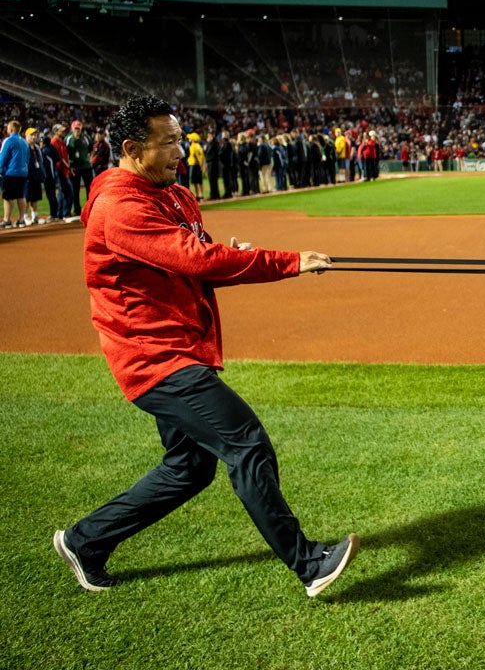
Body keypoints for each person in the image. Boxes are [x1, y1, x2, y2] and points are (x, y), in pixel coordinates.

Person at [53, 96, 359, 597]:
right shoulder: (119, 206)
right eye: (169, 142)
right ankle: (309, 563)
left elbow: (201, 258)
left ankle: (85, 542)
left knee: (189, 469)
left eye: (180, 138)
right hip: (154, 358)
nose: (182, 150)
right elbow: (196, 259)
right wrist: (287, 262)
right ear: (132, 148)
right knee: (246, 442)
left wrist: (236, 257)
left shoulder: (171, 193)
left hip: (178, 348)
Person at [1, 120, 32, 227]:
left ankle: (7, 220)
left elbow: (3, 157)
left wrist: (1, 170)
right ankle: (21, 219)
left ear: (10, 129)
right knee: (21, 196)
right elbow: (28, 158)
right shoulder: (24, 142)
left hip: (11, 172)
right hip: (23, 173)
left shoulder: (8, 141)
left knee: (7, 197)